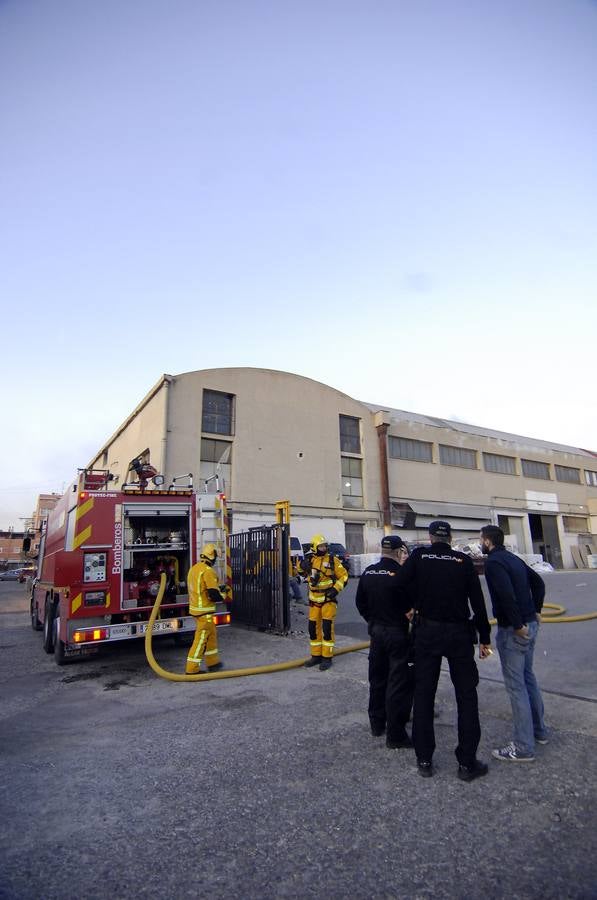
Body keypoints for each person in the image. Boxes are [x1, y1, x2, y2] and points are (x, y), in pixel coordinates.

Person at [395, 521, 492, 781]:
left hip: (428, 633)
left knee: (424, 694)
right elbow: (478, 602)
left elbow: (398, 584)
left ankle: (424, 759)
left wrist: (411, 606)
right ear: (450, 537)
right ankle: (467, 763)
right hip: (459, 633)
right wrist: (485, 637)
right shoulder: (463, 560)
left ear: (429, 537)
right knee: (466, 696)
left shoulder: (419, 556)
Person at [480, 525, 548, 762]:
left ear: (487, 541)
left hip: (514, 630)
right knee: (528, 677)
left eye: (481, 540)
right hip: (530, 623)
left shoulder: (494, 563)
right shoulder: (514, 559)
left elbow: (505, 594)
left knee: (516, 686)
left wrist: (517, 625)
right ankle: (539, 731)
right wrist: (536, 610)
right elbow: (538, 583)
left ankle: (522, 747)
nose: (481, 544)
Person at [355, 535, 415, 749]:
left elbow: (360, 602)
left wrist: (372, 620)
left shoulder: (369, 572)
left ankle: (376, 723)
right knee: (397, 682)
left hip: (377, 633)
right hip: (397, 633)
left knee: (377, 678)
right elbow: (411, 605)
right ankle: (396, 734)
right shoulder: (402, 574)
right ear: (399, 552)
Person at [303, 534, 348, 671]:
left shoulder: (333, 560)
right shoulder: (310, 560)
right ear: (314, 547)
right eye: (320, 546)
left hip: (328, 600)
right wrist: (301, 566)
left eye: (324, 546)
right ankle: (316, 655)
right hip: (313, 602)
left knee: (327, 630)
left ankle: (327, 657)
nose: (323, 548)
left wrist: (335, 589)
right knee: (313, 629)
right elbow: (298, 573)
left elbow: (344, 576)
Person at [185, 543, 226, 674]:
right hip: (205, 612)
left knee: (211, 635)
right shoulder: (208, 572)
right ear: (212, 556)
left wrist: (218, 590)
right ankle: (191, 668)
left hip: (196, 609)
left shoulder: (194, 569)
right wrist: (224, 594)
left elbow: (201, 589)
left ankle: (213, 662)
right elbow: (214, 596)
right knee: (201, 639)